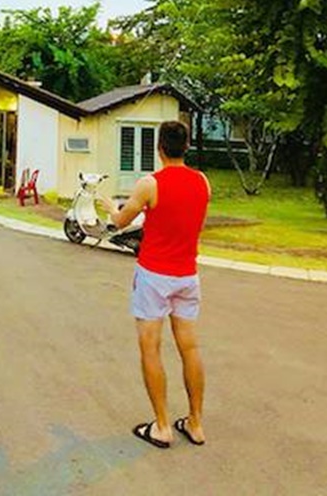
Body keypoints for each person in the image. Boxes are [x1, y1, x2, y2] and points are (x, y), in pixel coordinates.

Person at [99, 121, 211, 449]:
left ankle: (162, 426)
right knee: (190, 348)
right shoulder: (203, 182)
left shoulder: (149, 184)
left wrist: (111, 207)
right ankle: (195, 423)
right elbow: (196, 223)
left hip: (154, 275)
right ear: (186, 146)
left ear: (159, 148)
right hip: (187, 275)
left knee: (151, 347)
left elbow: (121, 222)